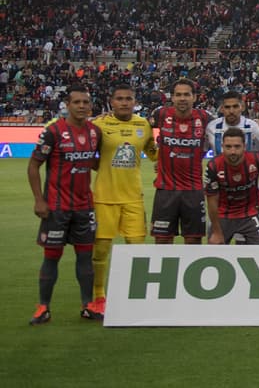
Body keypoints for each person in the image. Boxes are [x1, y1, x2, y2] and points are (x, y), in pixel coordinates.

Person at [28, 86, 101, 325]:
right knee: (52, 256)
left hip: (84, 206)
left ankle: (87, 305)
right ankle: (43, 307)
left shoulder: (95, 132)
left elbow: (95, 164)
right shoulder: (53, 132)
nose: (82, 106)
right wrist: (39, 200)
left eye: (86, 102)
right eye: (77, 102)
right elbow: (33, 166)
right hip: (56, 207)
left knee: (85, 256)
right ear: (67, 105)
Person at [88, 83, 153, 315]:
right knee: (101, 250)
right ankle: (99, 296)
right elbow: (87, 154)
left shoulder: (143, 125)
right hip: (105, 197)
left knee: (137, 249)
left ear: (135, 101)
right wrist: (101, 168)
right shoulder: (99, 124)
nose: (124, 102)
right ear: (111, 101)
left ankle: (134, 296)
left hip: (133, 198)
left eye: (129, 98)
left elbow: (154, 154)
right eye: (120, 99)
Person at [149, 78, 213, 244]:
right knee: (162, 242)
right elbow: (135, 126)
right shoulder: (160, 114)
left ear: (195, 97)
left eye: (186, 94)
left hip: (193, 191)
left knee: (193, 242)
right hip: (165, 190)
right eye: (178, 95)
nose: (182, 98)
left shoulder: (205, 118)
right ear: (172, 97)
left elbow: (227, 127)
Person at [205, 90, 259, 156]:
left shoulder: (254, 127)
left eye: (235, 106)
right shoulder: (211, 127)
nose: (231, 111)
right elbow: (203, 150)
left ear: (242, 107)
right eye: (227, 107)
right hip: (220, 166)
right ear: (221, 109)